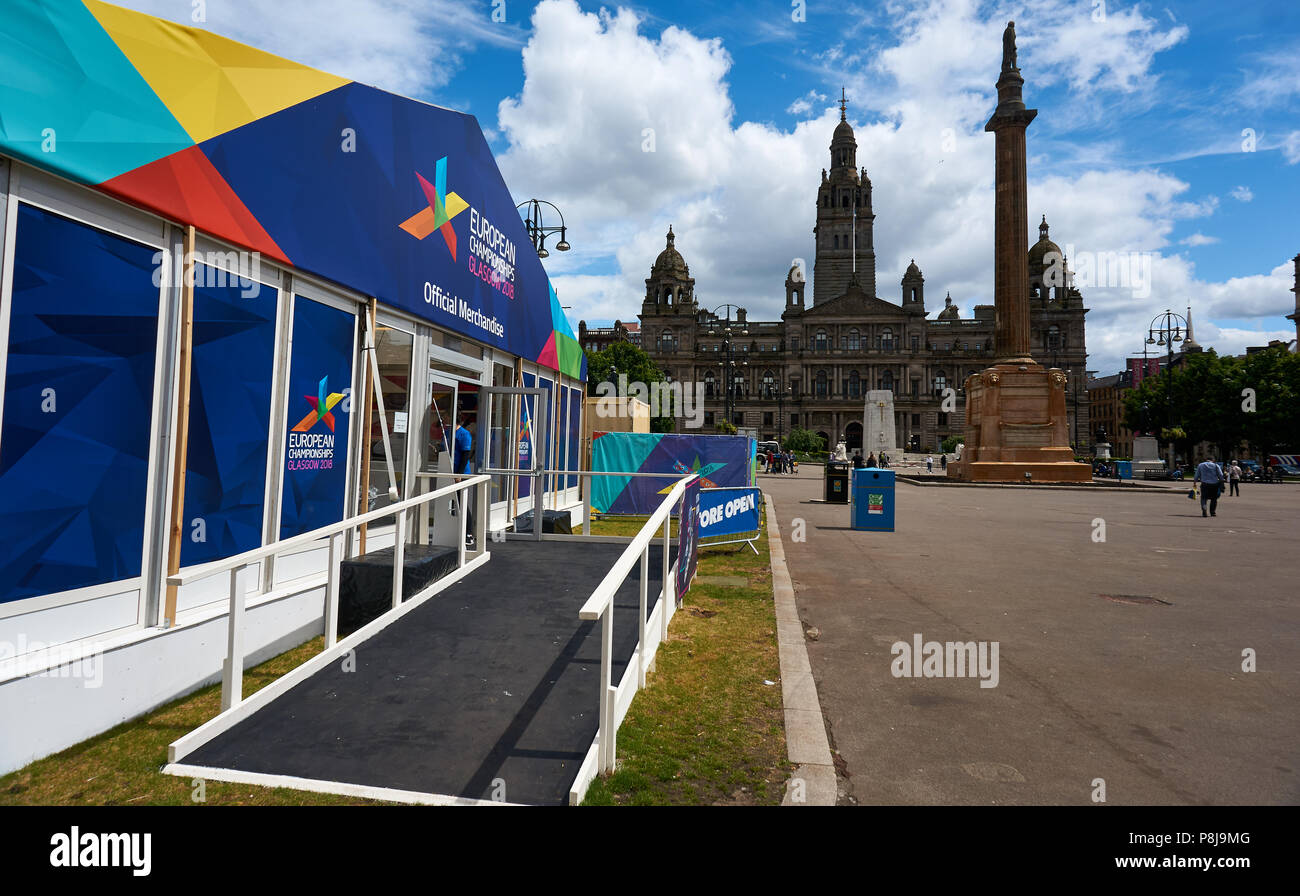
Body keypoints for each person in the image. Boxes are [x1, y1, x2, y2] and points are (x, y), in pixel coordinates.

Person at [453, 411, 476, 545]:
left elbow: (465, 455)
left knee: (462, 502)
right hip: (449, 471)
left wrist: (459, 475)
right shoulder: (449, 432)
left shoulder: (464, 434)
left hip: (460, 474)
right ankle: (456, 530)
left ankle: (469, 533)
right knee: (453, 503)